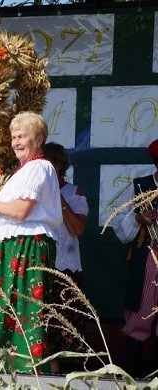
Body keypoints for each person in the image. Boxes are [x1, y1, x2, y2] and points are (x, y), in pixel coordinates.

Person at [0, 112, 62, 373]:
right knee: (9, 306)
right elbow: (9, 212)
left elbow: (21, 211)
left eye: (22, 136)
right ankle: (5, 368)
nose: (16, 142)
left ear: (39, 139)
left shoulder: (39, 167)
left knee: (25, 308)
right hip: (15, 243)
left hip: (28, 244)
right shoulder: (23, 171)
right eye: (13, 137)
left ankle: (29, 371)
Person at [111, 137, 158, 378]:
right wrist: (139, 219)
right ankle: (133, 375)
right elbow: (121, 228)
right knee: (142, 312)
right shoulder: (141, 186)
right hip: (149, 256)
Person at [42, 142, 89, 373]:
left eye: (50, 162)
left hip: (65, 267)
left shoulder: (73, 192)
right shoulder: (34, 192)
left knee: (65, 324)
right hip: (39, 264)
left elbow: (78, 229)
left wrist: (58, 200)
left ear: (60, 165)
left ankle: (68, 375)